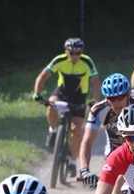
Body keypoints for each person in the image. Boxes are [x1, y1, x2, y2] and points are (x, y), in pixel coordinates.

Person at [33, 37, 100, 174]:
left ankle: (72, 161)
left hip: (79, 96)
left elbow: (96, 84)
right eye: (71, 53)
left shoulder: (87, 62)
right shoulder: (59, 60)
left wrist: (94, 101)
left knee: (76, 130)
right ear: (66, 52)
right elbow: (43, 76)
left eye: (78, 53)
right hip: (62, 92)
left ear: (82, 52)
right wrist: (37, 93)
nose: (75, 56)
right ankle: (52, 130)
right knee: (51, 104)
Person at [77, 73, 134, 187]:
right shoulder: (98, 110)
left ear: (128, 94)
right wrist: (84, 170)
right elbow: (87, 142)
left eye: (120, 98)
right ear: (106, 98)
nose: (117, 103)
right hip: (114, 155)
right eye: (112, 99)